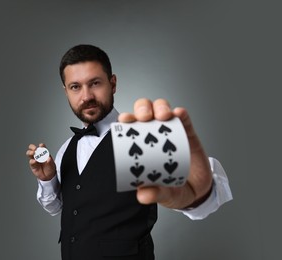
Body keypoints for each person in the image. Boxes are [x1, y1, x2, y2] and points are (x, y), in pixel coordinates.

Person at [26, 44, 232, 260]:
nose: (86, 96)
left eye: (94, 83)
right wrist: (48, 179)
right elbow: (57, 208)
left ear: (112, 83)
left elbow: (198, 190)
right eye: (75, 87)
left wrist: (200, 196)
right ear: (66, 91)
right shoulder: (67, 148)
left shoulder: (138, 138)